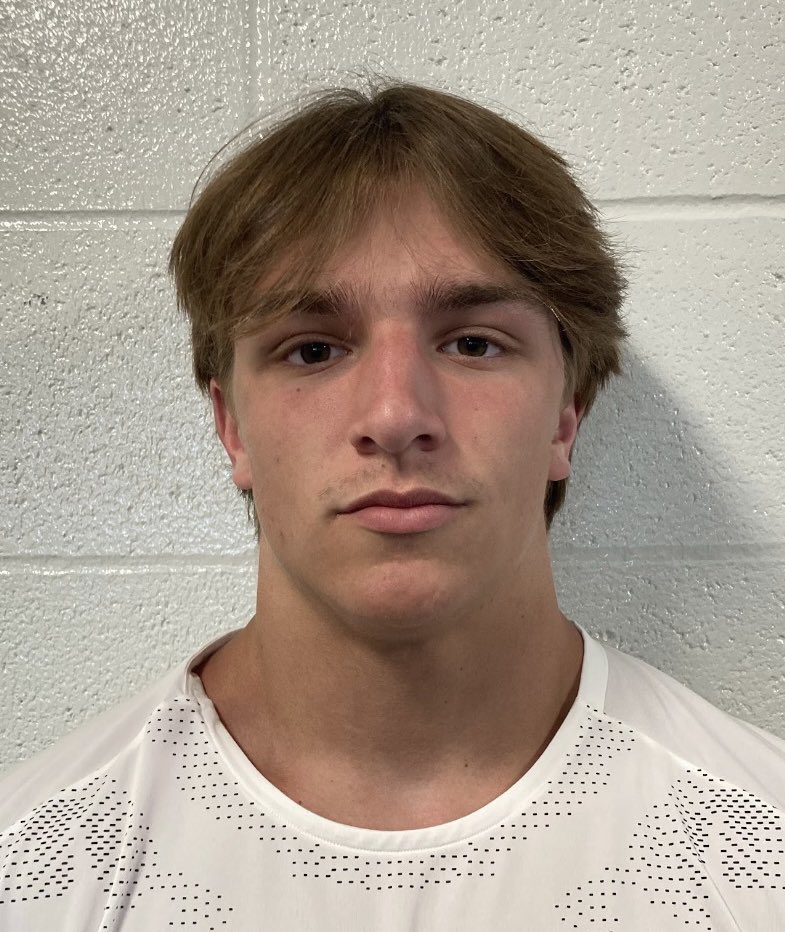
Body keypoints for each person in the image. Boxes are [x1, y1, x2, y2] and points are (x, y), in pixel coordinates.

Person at [1, 81, 783, 930]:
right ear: (232, 428)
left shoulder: (758, 848)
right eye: (312, 350)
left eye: (473, 343)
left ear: (565, 415)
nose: (395, 415)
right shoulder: (33, 868)